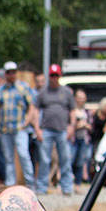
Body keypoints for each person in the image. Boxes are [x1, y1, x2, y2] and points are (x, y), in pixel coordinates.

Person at [0, 62, 37, 188]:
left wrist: (27, 121)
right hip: (5, 128)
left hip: (20, 128)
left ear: (16, 73)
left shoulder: (24, 87)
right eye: (8, 72)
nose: (11, 74)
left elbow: (31, 106)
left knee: (23, 155)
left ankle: (30, 184)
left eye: (13, 72)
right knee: (8, 158)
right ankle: (10, 184)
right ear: (5, 74)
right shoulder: (0, 90)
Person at [35, 64, 75, 194]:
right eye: (52, 75)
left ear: (60, 76)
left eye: (56, 75)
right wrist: (37, 129)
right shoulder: (43, 93)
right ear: (49, 76)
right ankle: (42, 187)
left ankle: (67, 187)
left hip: (62, 129)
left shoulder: (67, 92)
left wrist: (71, 126)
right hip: (46, 130)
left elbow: (73, 110)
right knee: (45, 159)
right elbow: (35, 111)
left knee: (65, 158)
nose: (54, 78)